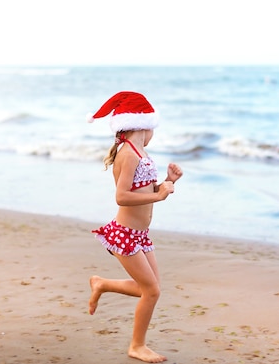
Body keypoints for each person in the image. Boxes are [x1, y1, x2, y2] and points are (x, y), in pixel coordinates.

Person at [86, 91, 183, 363]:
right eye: (153, 127)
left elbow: (143, 190)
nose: (154, 133)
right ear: (143, 123)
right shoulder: (128, 153)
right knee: (151, 291)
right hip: (124, 234)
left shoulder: (142, 151)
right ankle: (136, 346)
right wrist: (158, 195)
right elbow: (121, 196)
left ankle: (102, 284)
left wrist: (166, 181)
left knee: (150, 288)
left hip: (140, 235)